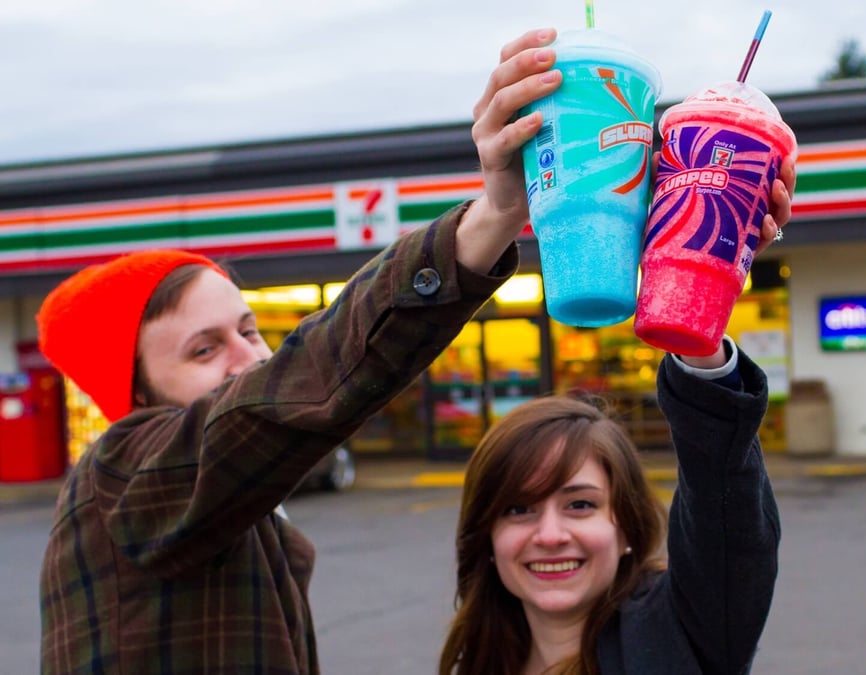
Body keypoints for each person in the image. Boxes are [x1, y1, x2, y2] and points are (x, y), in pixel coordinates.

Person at [35, 27, 578, 675]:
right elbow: (294, 384)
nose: (250, 359)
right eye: (204, 349)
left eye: (249, 329)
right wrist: (492, 217)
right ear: (138, 394)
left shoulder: (234, 508)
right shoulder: (121, 475)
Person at [438, 144, 795, 675]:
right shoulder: (475, 662)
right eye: (518, 509)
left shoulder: (679, 638)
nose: (550, 534)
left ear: (625, 527)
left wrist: (694, 293)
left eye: (580, 504)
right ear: (485, 537)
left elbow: (728, 519)